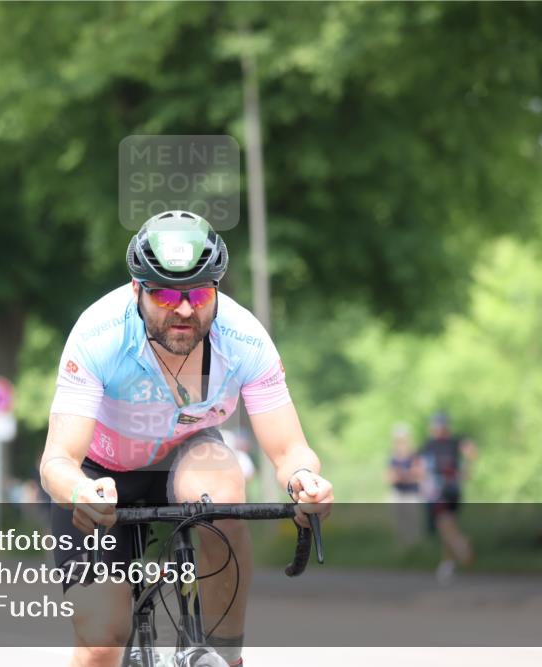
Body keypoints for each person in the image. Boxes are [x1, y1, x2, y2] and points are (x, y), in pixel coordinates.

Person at [39, 211, 334, 667]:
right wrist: (79, 492)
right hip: (100, 473)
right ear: (136, 290)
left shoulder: (245, 339)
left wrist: (303, 480)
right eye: (164, 294)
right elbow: (57, 460)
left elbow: (289, 450)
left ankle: (225, 653)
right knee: (101, 643)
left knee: (223, 495)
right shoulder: (97, 335)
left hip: (188, 453)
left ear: (216, 289)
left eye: (198, 294)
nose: (183, 309)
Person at [417, 411, 477, 583]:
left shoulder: (430, 444)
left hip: (440, 490)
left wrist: (423, 484)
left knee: (444, 524)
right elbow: (472, 453)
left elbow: (420, 468)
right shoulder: (455, 441)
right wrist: (466, 470)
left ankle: (461, 545)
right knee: (448, 524)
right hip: (454, 489)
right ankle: (447, 564)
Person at [387, 423, 422, 545]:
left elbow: (418, 474)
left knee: (412, 522)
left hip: (411, 493)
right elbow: (390, 477)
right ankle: (403, 549)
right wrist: (406, 475)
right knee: (399, 523)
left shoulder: (414, 455)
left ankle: (414, 548)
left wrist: (403, 476)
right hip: (398, 493)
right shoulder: (393, 457)